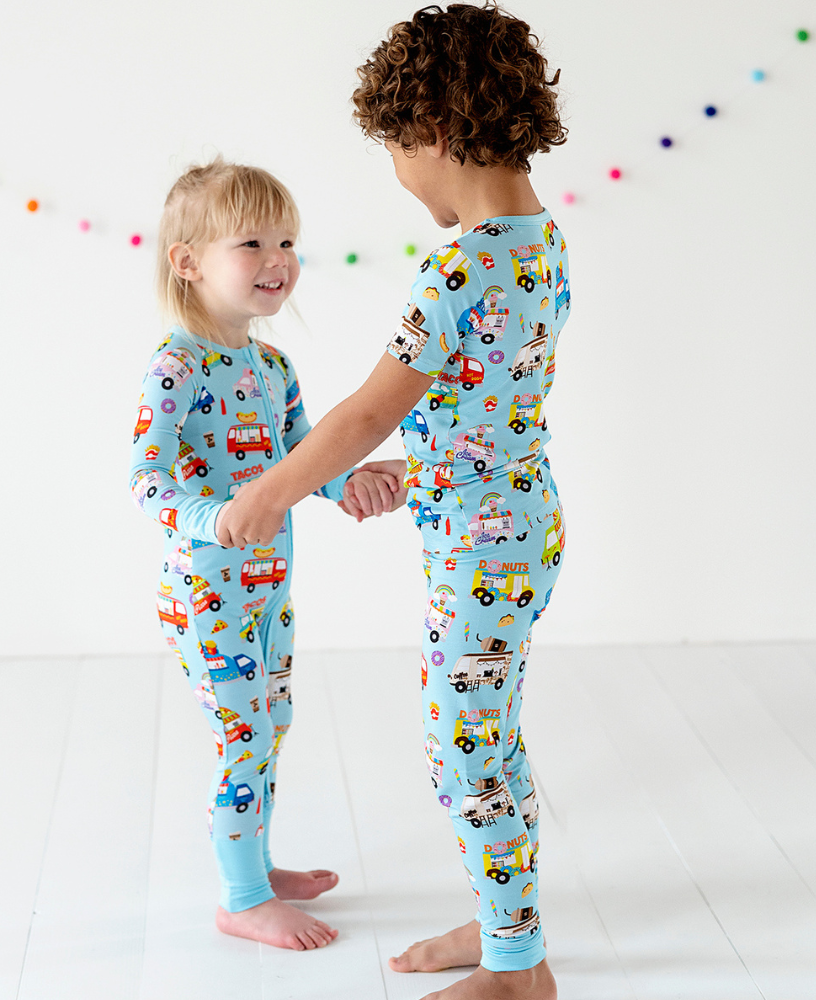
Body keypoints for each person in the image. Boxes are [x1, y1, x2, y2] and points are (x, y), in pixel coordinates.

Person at [216, 5, 570, 998]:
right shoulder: (538, 244)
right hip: (517, 519)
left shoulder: (463, 265)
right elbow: (492, 399)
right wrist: (431, 470)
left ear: (443, 130)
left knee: (469, 751)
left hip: (484, 545)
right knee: (485, 733)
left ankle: (517, 965)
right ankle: (502, 914)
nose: (400, 174)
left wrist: (274, 484)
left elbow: (370, 409)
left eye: (397, 150)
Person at [128, 158, 400, 952]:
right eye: (253, 241)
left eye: (288, 241)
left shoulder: (271, 364)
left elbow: (298, 456)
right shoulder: (174, 366)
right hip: (206, 592)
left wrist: (349, 481)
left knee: (270, 721)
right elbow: (146, 482)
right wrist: (213, 518)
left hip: (269, 589)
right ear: (189, 261)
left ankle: (256, 863)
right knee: (244, 736)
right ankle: (242, 898)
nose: (278, 258)